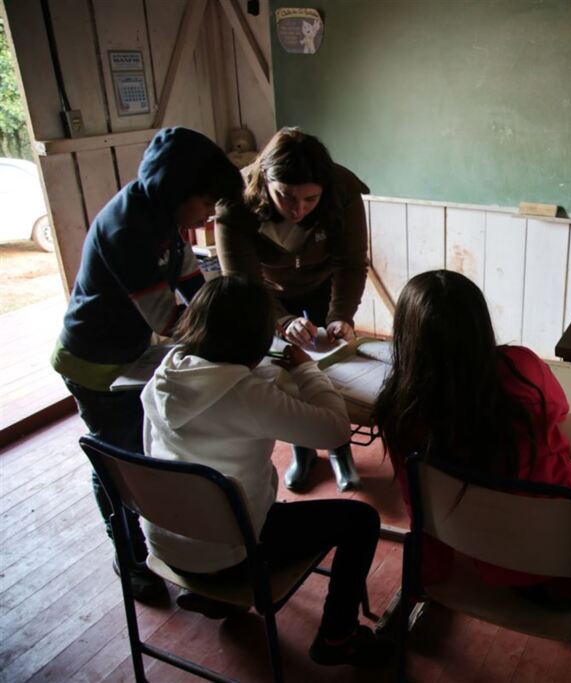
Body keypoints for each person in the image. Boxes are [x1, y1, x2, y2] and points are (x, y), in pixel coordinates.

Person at [373, 270, 571, 649]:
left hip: (489, 561)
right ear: (480, 325)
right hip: (570, 577)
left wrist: (430, 576)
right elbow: (561, 409)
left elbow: (418, 509)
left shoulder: (399, 414)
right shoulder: (519, 369)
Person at [140, 275, 383, 665]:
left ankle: (210, 595)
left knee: (232, 490)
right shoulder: (248, 394)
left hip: (167, 542)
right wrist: (305, 369)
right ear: (256, 338)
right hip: (229, 552)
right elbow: (335, 430)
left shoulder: (164, 375)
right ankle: (337, 637)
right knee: (361, 519)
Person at [52, 127, 242, 602]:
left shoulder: (164, 217)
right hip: (93, 362)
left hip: (131, 355)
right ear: (178, 193)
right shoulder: (127, 230)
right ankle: (131, 557)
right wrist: (237, 338)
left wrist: (230, 308)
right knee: (118, 462)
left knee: (152, 451)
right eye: (205, 204)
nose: (207, 216)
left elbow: (194, 286)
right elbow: (171, 319)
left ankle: (170, 547)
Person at [215, 127, 369, 493]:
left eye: (310, 199)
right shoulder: (233, 200)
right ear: (265, 180)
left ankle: (339, 449)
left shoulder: (343, 189)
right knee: (284, 370)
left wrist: (340, 316)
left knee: (331, 365)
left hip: (321, 283)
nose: (297, 209)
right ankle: (302, 450)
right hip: (265, 294)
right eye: (285, 196)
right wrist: (282, 321)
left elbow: (350, 263)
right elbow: (243, 283)